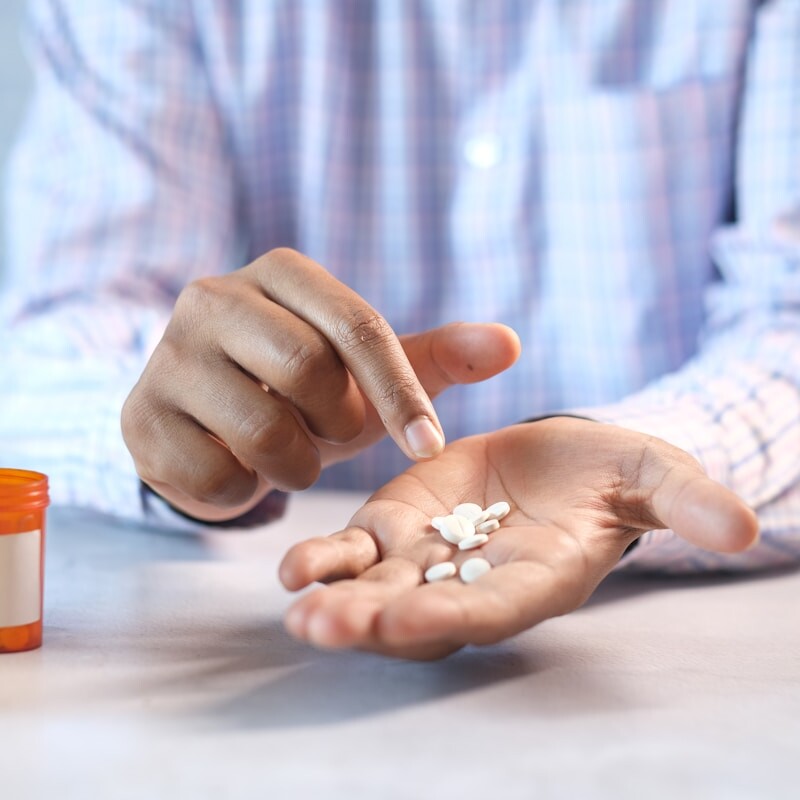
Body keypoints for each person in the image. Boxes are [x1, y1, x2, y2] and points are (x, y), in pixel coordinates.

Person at [2, 1, 798, 659]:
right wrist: (186, 424)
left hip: (686, 645)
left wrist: (642, 463)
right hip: (253, 626)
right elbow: (62, 325)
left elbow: (787, 322)